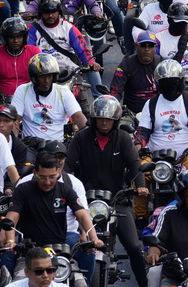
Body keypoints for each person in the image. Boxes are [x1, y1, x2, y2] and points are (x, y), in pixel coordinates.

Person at [64, 96, 147, 286]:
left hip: (117, 199)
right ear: (93, 118)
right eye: (100, 118)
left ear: (115, 121)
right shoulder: (81, 137)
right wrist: (65, 185)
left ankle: (144, 283)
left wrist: (140, 184)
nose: (104, 122)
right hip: (84, 201)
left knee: (134, 247)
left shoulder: (123, 138)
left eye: (108, 119)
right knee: (70, 242)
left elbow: (135, 164)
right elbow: (67, 164)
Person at [0, 150, 103, 277]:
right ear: (35, 173)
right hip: (30, 244)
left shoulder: (66, 190)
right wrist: (10, 241)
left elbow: (82, 214)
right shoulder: (23, 189)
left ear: (58, 172)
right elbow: (12, 216)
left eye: (52, 177)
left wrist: (93, 238)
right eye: (43, 177)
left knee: (88, 251)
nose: (47, 182)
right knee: (5, 253)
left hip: (61, 242)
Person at [12, 53, 87, 142]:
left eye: (49, 76)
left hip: (58, 146)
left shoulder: (63, 92)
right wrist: (14, 145)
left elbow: (78, 116)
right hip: (31, 145)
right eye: (42, 76)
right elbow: (15, 123)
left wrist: (89, 134)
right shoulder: (22, 91)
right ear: (34, 77)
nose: (47, 80)